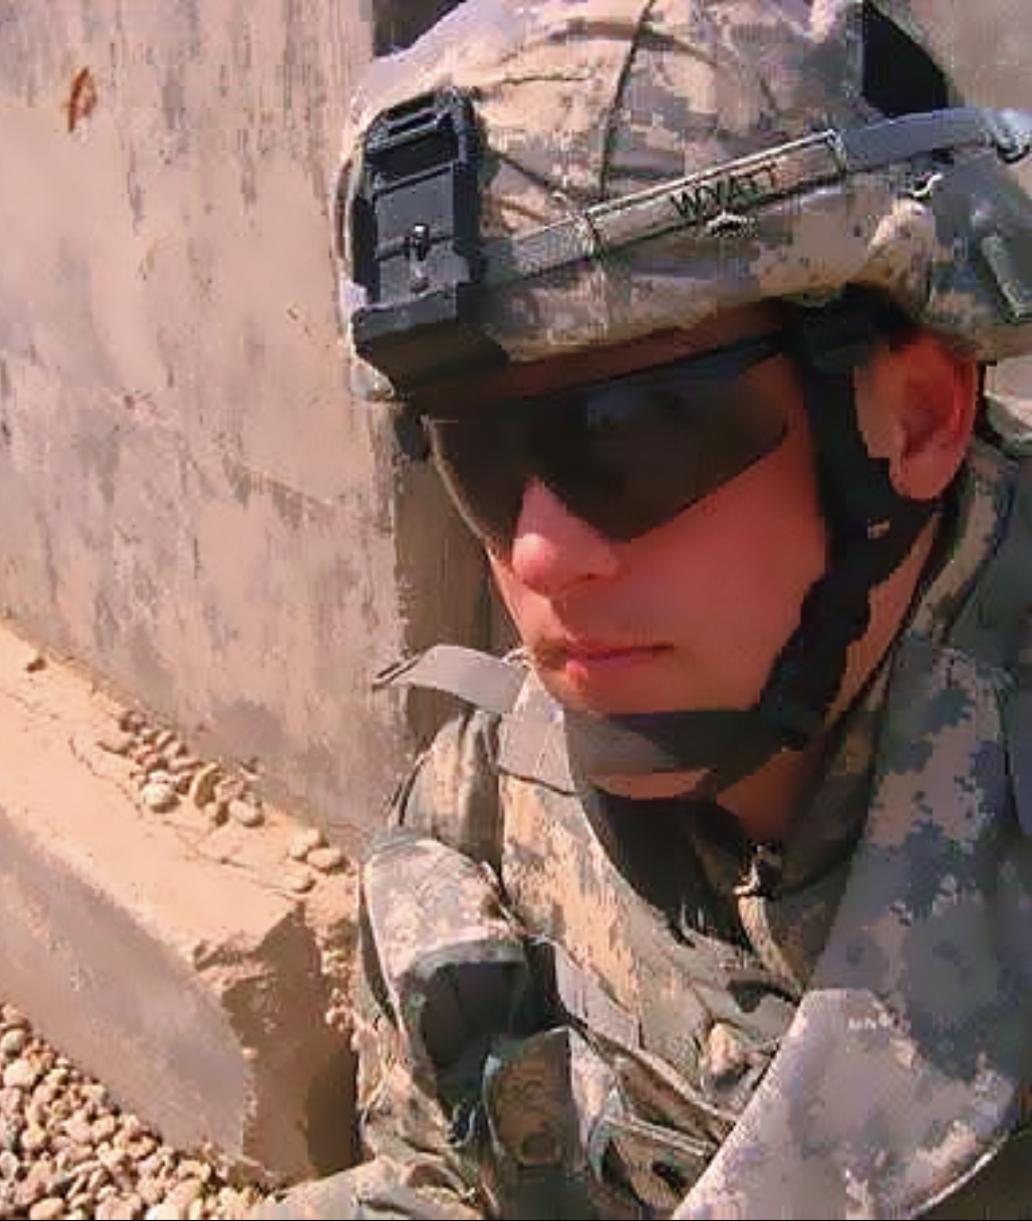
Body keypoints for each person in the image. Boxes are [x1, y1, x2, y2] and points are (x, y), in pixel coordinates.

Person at [258, 0, 1032, 1215]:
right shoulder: (486, 792)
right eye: (479, 453)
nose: (540, 551)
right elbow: (427, 1170)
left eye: (633, 434)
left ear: (918, 417)